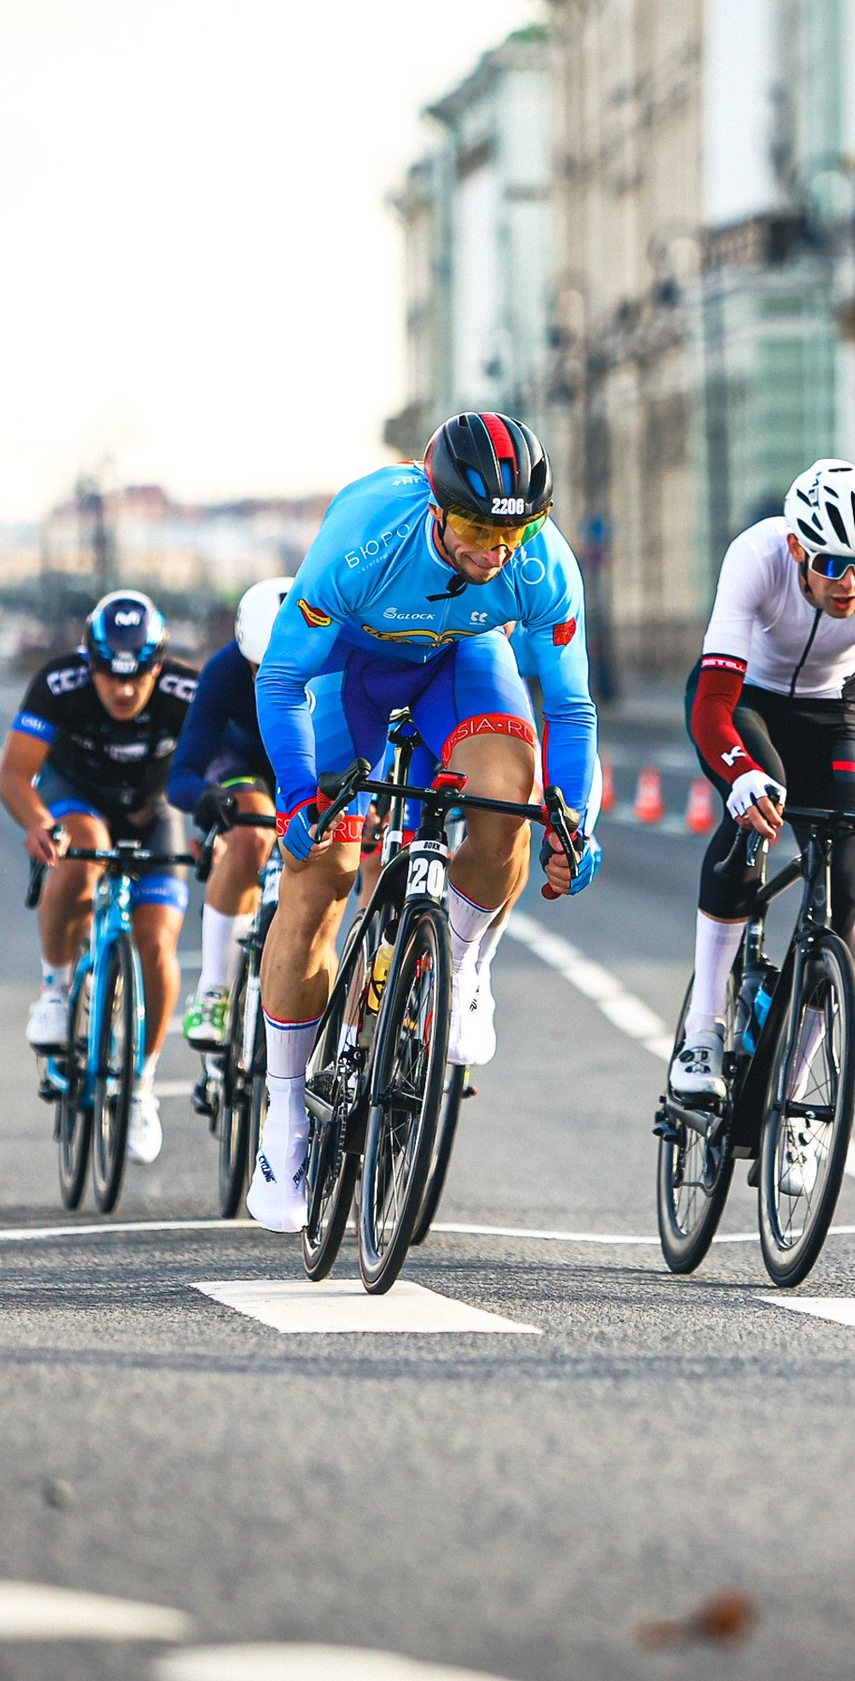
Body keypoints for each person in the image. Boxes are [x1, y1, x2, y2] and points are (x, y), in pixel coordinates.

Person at [247, 411, 601, 1234]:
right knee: (325, 871)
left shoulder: (541, 564)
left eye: (516, 530)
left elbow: (572, 709)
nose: (497, 550)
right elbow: (281, 679)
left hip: (462, 663)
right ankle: (285, 1121)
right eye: (478, 528)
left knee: (509, 799)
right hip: (350, 672)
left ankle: (464, 964)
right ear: (439, 511)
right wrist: (300, 792)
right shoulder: (367, 533)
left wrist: (575, 821)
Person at [666, 459, 855, 1154]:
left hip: (834, 712)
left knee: (847, 887)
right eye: (832, 562)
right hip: (743, 703)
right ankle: (704, 1030)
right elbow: (713, 703)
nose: (850, 581)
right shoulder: (756, 556)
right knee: (758, 804)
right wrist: (739, 775)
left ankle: (795, 1101)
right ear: (799, 547)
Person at [0, 590, 199, 1165]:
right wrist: (38, 824)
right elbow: (13, 776)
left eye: (139, 677)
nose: (125, 691)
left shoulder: (187, 691)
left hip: (153, 810)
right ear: (90, 665)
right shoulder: (59, 683)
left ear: (159, 665)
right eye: (110, 676)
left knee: (157, 940)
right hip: (74, 798)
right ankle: (56, 992)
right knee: (85, 849)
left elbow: (217, 765)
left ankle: (141, 1085)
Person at [164, 578, 291, 1051]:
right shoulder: (223, 671)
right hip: (244, 766)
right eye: (260, 668)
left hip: (313, 767)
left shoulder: (340, 664)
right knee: (250, 833)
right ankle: (214, 988)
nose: (274, 679)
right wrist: (204, 798)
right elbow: (182, 773)